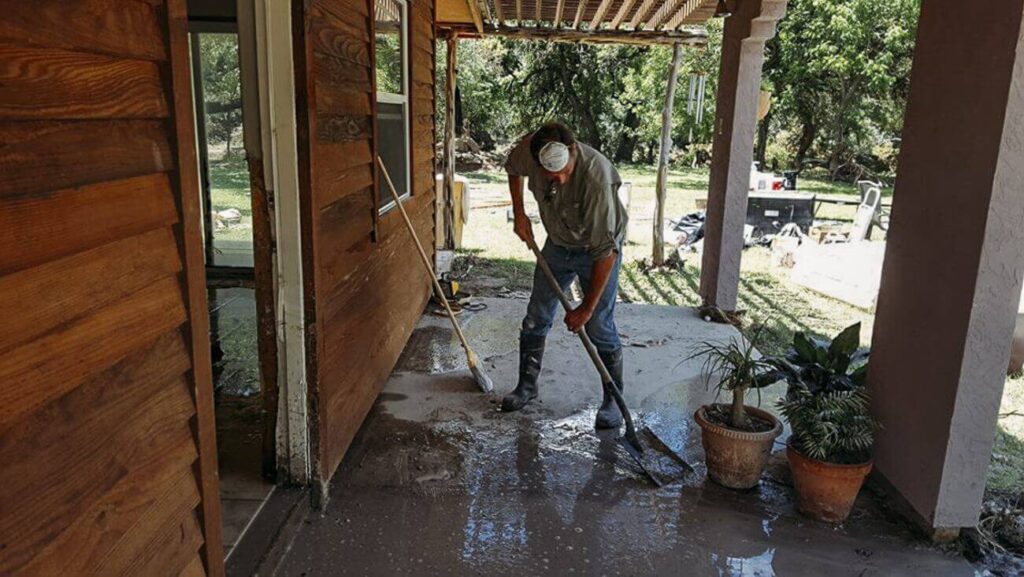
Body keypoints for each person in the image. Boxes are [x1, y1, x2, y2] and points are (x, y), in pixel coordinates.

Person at [500, 122, 629, 429]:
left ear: (573, 150)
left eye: (563, 170)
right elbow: (512, 168)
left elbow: (605, 252)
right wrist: (519, 213)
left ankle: (613, 398)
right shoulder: (529, 151)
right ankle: (527, 387)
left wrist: (585, 309)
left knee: (598, 323)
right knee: (536, 315)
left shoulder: (596, 178)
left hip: (595, 250)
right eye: (549, 173)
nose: (557, 179)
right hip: (558, 243)